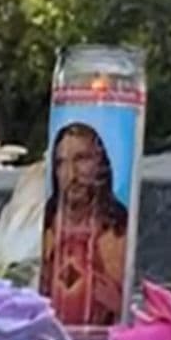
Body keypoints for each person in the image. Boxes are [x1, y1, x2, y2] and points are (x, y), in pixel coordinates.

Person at [40, 123, 129, 328]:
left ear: (101, 164)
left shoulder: (116, 228)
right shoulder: (45, 226)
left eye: (81, 159)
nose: (71, 175)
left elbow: (125, 304)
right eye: (61, 163)